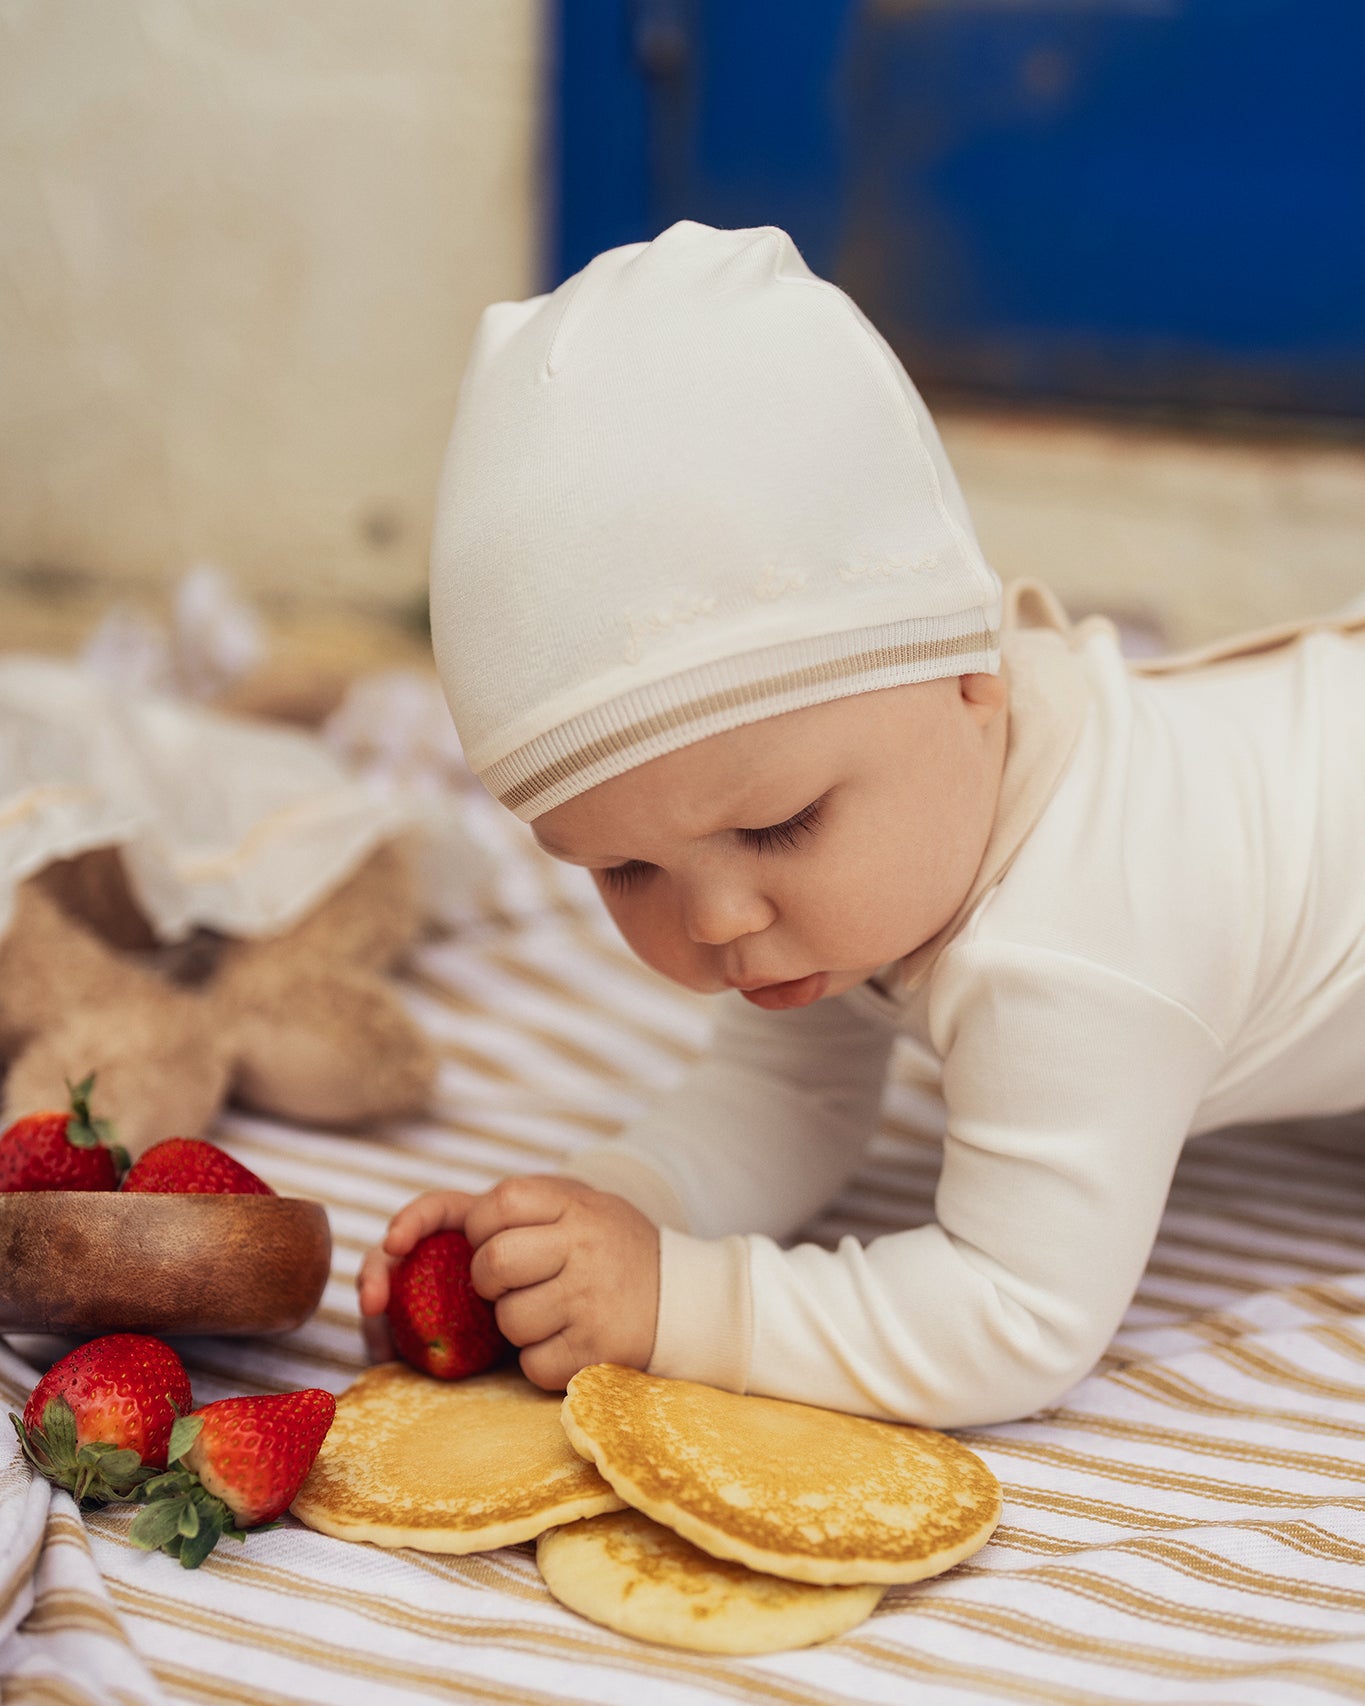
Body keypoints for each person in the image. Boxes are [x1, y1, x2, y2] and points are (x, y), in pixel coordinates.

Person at [358, 220, 1365, 1427]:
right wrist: (591, 1222)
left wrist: (681, 1304)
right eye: (624, 867)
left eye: (783, 824)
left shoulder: (1071, 945)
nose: (717, 919)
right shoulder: (877, 855)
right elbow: (785, 1105)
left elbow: (1014, 1316)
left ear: (975, 679)